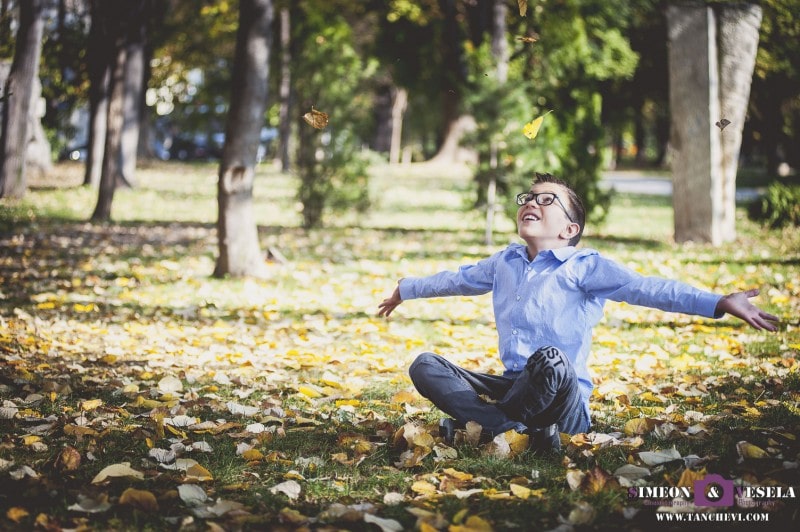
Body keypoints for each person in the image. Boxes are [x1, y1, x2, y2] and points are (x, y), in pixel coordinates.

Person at [377, 172, 779, 452]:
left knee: (551, 359)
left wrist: (718, 302)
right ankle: (512, 430)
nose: (532, 202)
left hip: (563, 398)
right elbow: (457, 279)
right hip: (515, 389)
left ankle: (490, 428)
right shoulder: (505, 262)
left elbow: (649, 288)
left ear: (570, 230)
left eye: (547, 199)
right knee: (426, 365)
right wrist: (406, 290)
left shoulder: (584, 267)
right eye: (529, 198)